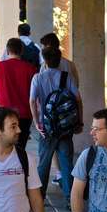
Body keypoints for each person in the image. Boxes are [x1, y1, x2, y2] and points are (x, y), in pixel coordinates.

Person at [30, 47, 83, 202]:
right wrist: (79, 121)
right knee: (67, 163)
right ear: (59, 60)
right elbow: (78, 99)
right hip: (65, 127)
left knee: (44, 164)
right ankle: (70, 198)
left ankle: (39, 197)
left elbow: (32, 100)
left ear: (44, 61)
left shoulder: (37, 78)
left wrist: (36, 121)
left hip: (46, 127)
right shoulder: (67, 78)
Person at [0, 38, 38, 149]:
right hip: (25, 114)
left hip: (4, 114)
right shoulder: (31, 69)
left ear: (7, 51)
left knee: (5, 148)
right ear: (22, 51)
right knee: (20, 147)